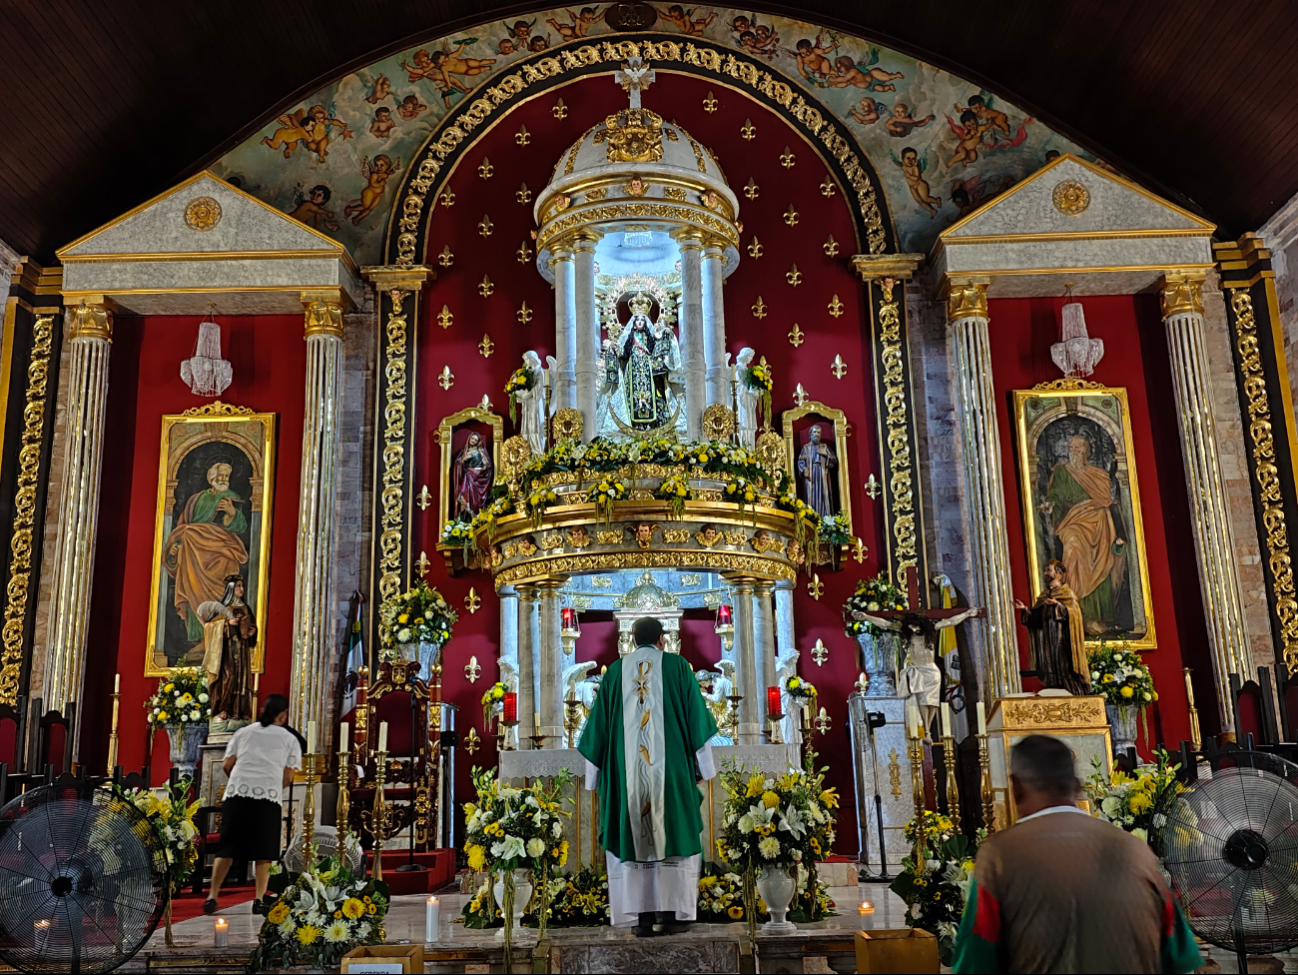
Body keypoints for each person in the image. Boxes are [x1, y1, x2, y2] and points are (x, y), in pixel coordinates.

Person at [951, 734, 1201, 974]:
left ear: (1015, 787)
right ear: (1078, 788)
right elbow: (1179, 956)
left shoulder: (1000, 855)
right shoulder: (1136, 850)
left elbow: (975, 961)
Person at [578, 616, 718, 936]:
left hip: (628, 782)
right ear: (662, 639)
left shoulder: (614, 672)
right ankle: (670, 916)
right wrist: (706, 769)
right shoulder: (678, 666)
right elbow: (697, 720)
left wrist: (593, 779)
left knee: (637, 846)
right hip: (669, 777)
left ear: (631, 639)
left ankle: (642, 920)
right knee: (671, 843)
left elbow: (596, 730)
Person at [204, 694, 302, 916]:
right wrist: (271, 785)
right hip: (267, 796)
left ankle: (212, 896)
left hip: (238, 793)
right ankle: (259, 899)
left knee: (226, 847)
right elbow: (288, 777)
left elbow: (227, 764)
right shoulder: (289, 739)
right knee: (263, 851)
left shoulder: (243, 732)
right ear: (283, 714)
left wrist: (242, 781)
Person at [1016, 559, 1090, 694]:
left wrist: (1058, 605)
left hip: (1063, 641)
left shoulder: (1068, 594)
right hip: (1047, 642)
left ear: (1058, 573)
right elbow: (1036, 619)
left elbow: (1074, 615)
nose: (1046, 573)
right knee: (1050, 672)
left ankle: (1072, 693)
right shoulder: (1044, 596)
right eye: (1045, 570)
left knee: (1064, 669)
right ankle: (1055, 692)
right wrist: (1026, 610)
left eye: (1049, 570)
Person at [197, 573, 257, 720]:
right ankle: (223, 709)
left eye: (242, 586)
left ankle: (241, 711)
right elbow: (209, 627)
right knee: (228, 677)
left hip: (242, 651)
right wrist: (226, 625)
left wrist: (253, 631)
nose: (241, 589)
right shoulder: (223, 608)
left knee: (241, 679)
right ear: (231, 589)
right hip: (226, 652)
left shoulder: (246, 608)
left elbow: (252, 625)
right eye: (238, 586)